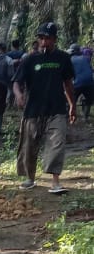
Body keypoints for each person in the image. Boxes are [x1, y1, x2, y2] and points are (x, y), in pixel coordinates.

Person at [13, 21, 76, 193]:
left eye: (47, 38)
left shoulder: (63, 58)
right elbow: (17, 83)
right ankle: (29, 178)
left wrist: (72, 105)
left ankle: (55, 182)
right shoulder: (29, 60)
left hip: (56, 109)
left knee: (57, 143)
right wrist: (19, 95)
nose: (43, 42)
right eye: (41, 38)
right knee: (29, 145)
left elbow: (68, 84)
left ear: (54, 39)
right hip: (33, 110)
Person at [69, 44, 93, 122]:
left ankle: (71, 114)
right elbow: (89, 69)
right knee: (89, 100)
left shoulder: (70, 59)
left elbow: (69, 74)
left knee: (72, 99)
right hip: (90, 82)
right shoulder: (85, 58)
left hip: (78, 83)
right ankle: (85, 117)